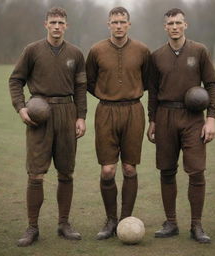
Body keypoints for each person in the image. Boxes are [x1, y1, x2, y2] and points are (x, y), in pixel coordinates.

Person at [9, 7, 87, 247]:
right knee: (36, 173)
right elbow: (16, 80)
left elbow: (80, 88)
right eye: (52, 22)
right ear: (45, 25)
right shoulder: (32, 51)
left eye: (60, 22)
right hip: (38, 113)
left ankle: (64, 224)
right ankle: (32, 227)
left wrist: (81, 116)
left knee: (66, 172)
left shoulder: (76, 53)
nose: (56, 26)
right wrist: (21, 107)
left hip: (67, 112)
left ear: (66, 26)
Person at [147, 8, 215, 243]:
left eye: (178, 22)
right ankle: (171, 222)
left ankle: (196, 226)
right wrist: (152, 120)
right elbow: (153, 93)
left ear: (185, 25)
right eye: (170, 23)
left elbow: (212, 85)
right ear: (165, 27)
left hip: (193, 118)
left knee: (196, 171)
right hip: (165, 115)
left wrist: (211, 118)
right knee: (167, 171)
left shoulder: (199, 51)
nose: (174, 27)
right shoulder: (156, 56)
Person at [86, 6, 150, 240]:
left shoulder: (142, 50)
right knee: (107, 169)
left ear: (129, 24)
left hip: (134, 110)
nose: (119, 25)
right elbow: (89, 82)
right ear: (108, 24)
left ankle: (125, 218)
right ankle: (111, 219)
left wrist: (128, 94)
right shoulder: (96, 50)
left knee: (130, 167)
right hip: (106, 111)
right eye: (115, 22)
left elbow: (148, 81)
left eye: (123, 21)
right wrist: (108, 94)